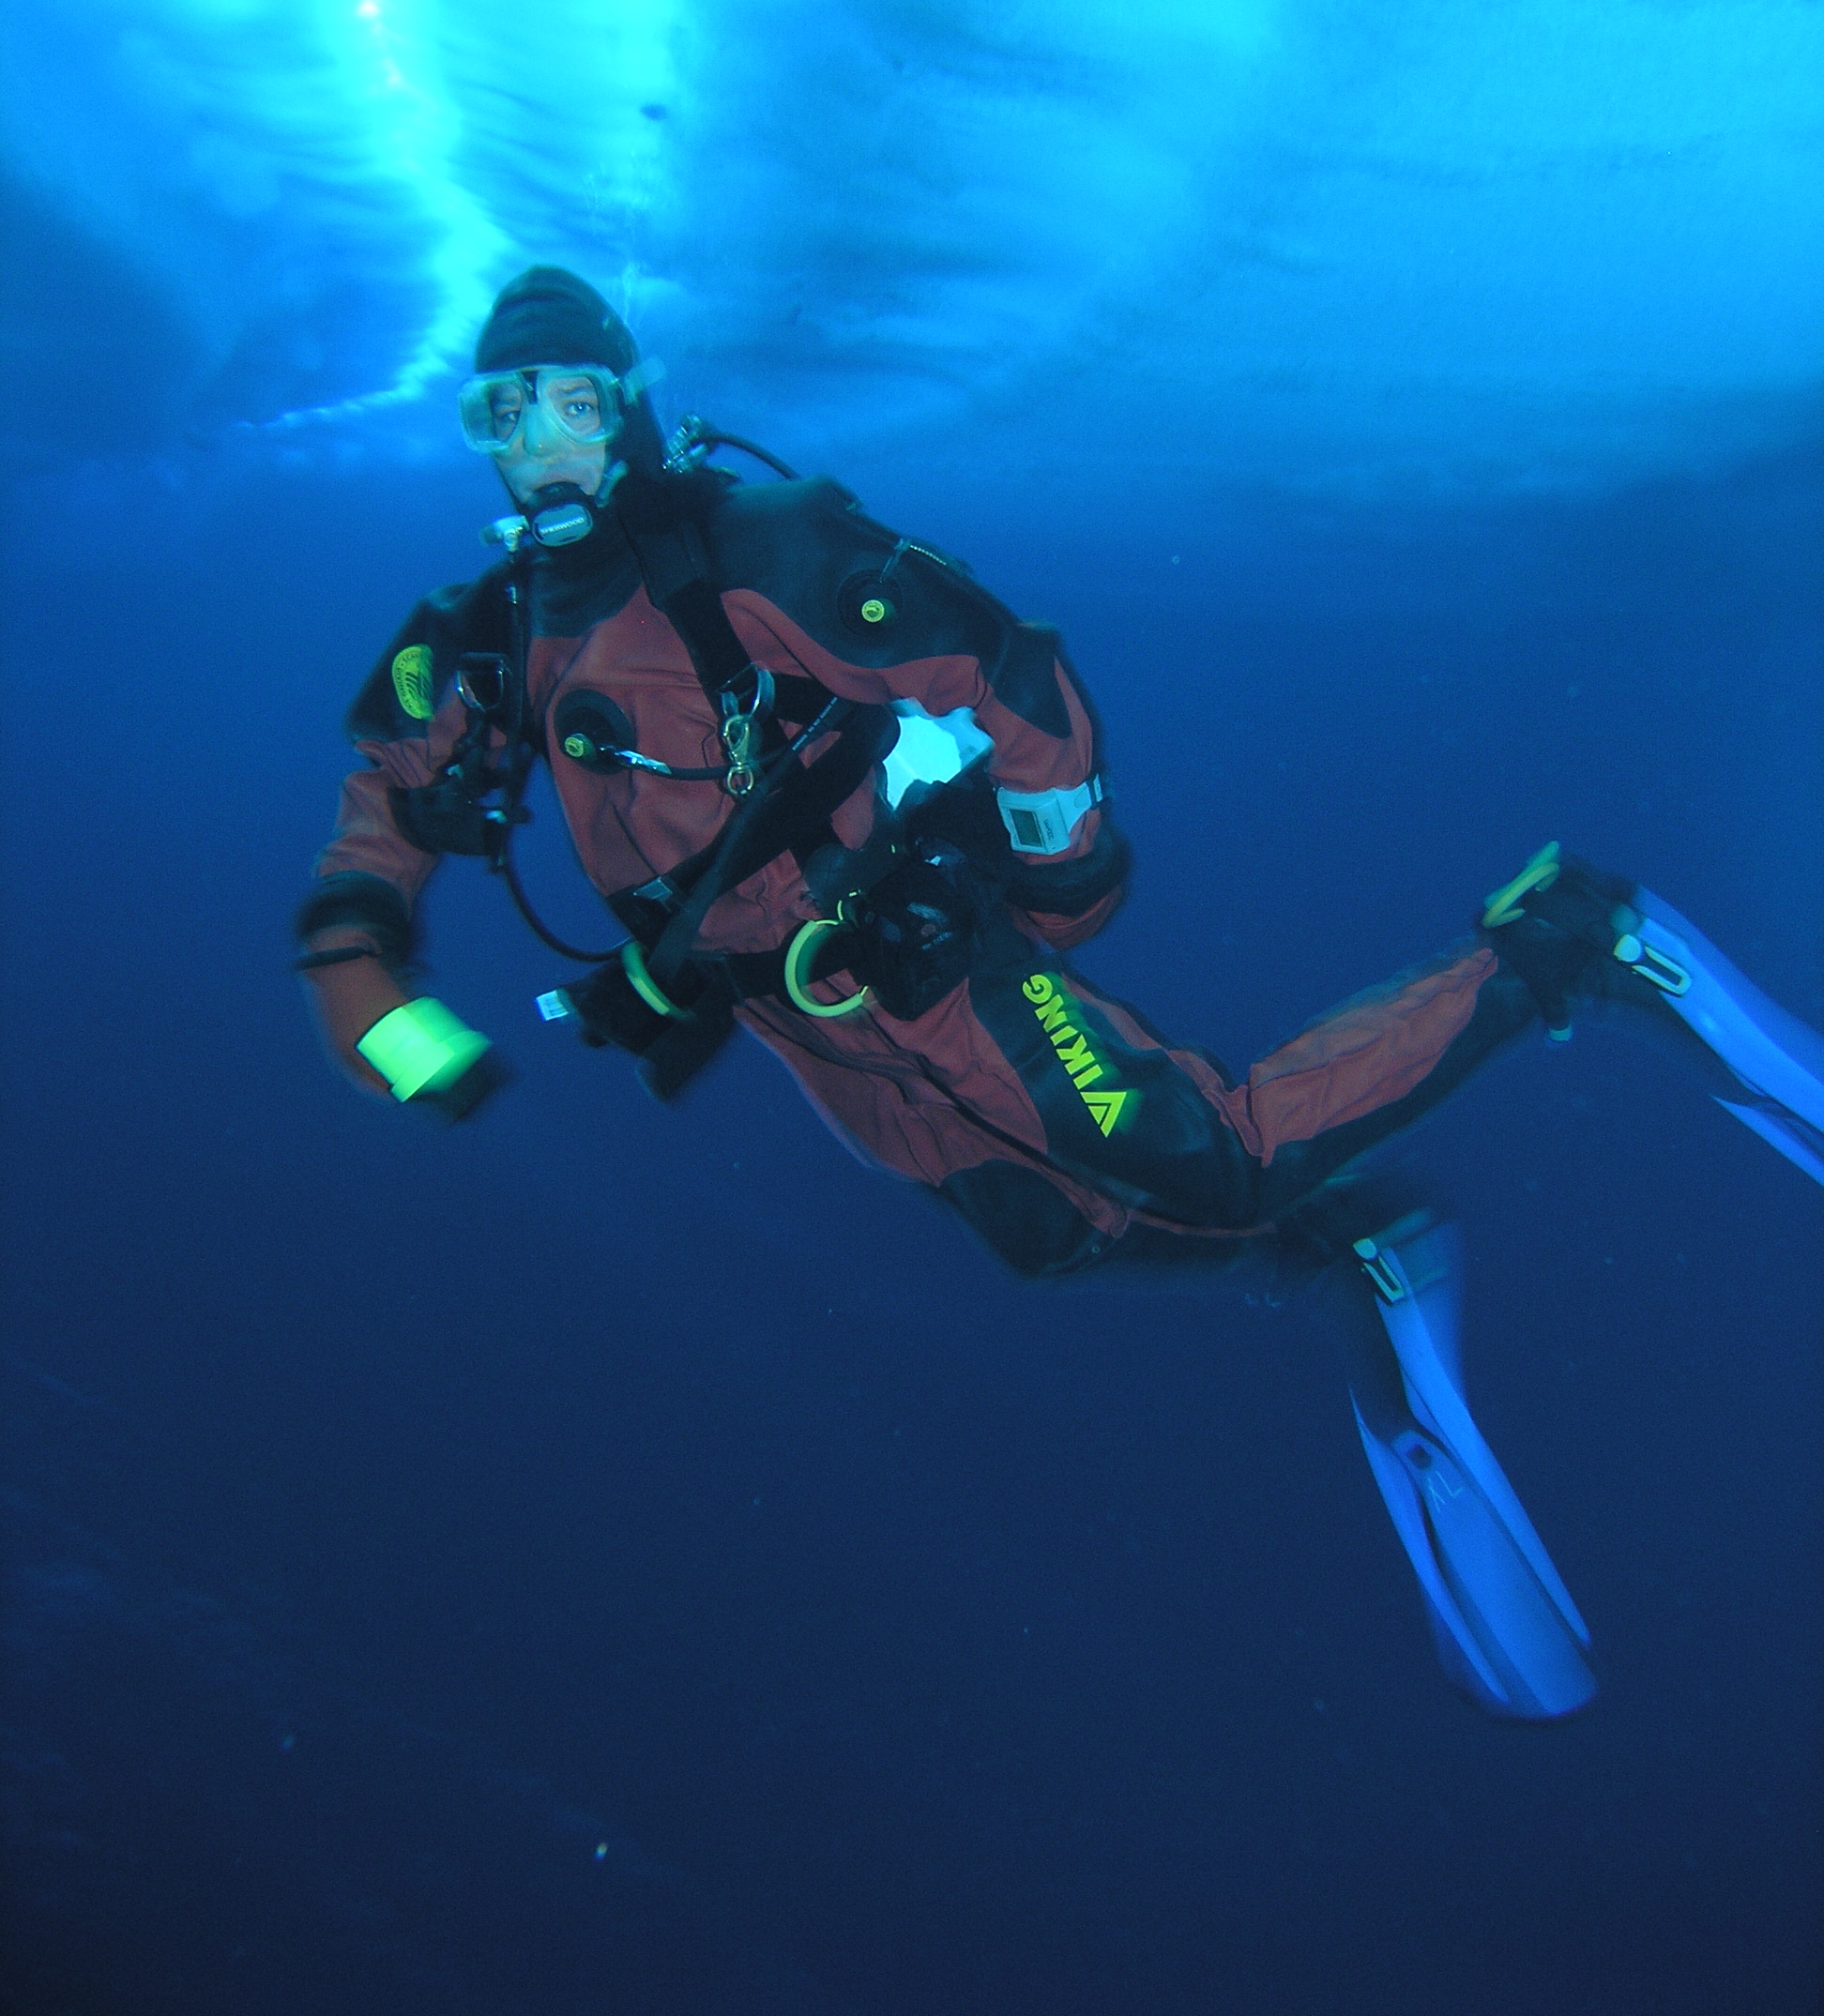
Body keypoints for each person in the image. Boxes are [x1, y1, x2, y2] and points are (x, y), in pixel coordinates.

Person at [297, 266, 1824, 1720]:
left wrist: (1063, 881)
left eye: (569, 402)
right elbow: (380, 818)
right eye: (500, 412)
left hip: (920, 953)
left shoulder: (755, 547)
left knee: (1213, 1155)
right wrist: (373, 1005)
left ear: (628, 403)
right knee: (1053, 1234)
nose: (536, 443)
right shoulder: (482, 638)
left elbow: (1005, 670)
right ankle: (1352, 1248)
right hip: (801, 1031)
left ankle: (1575, 938)